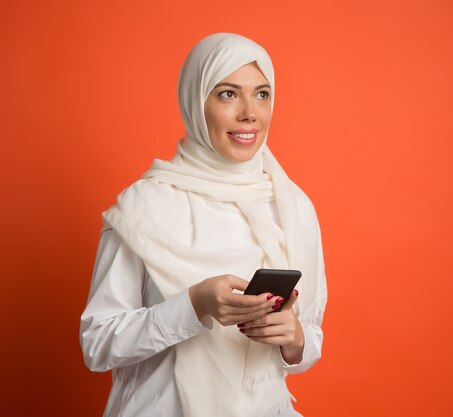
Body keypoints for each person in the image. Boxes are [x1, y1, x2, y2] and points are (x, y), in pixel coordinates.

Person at [80, 33, 327, 417]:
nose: (250, 113)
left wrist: (293, 340)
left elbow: (308, 338)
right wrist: (193, 306)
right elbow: (97, 345)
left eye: (262, 94)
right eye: (228, 94)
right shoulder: (144, 206)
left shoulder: (291, 207)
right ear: (196, 102)